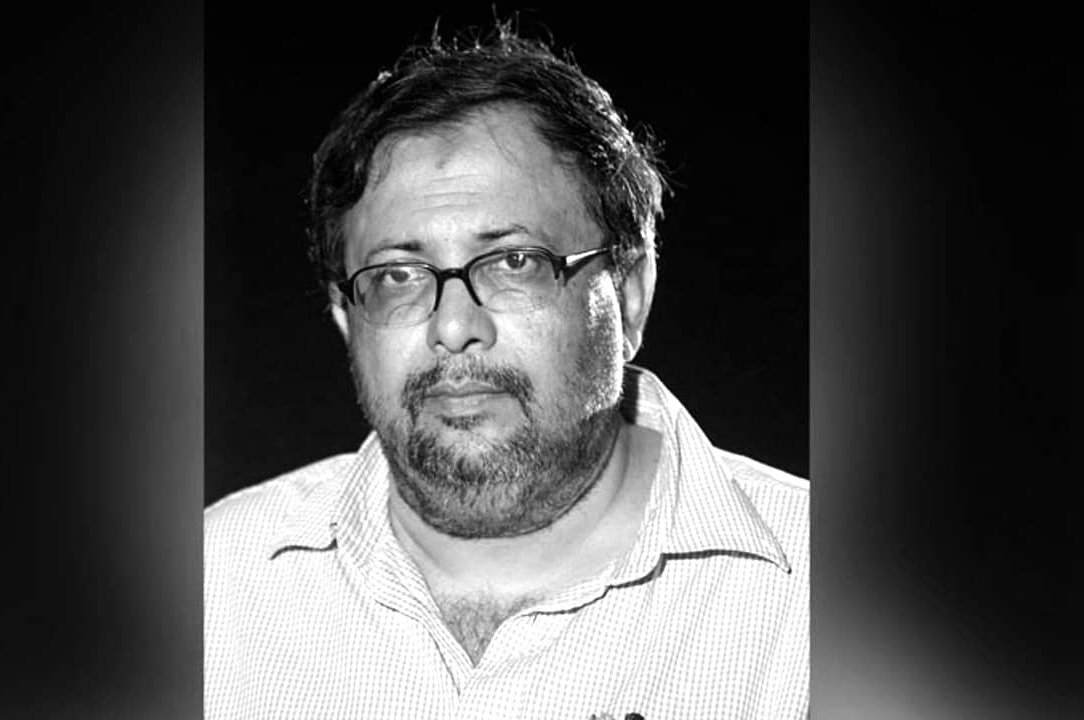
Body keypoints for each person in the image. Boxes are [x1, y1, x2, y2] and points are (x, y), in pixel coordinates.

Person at [205, 24, 809, 720]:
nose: (454, 326)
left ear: (629, 295)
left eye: (514, 262)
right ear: (347, 318)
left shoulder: (818, 604)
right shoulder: (212, 589)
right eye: (398, 275)